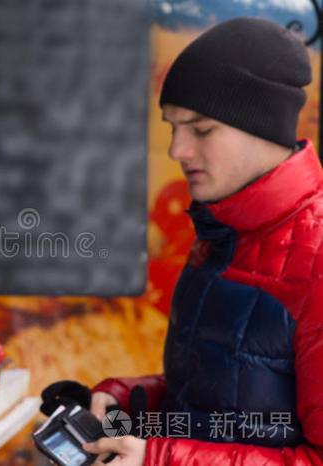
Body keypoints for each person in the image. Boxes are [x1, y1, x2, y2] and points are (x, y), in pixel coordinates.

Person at [84, 17, 323, 465]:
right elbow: (218, 406)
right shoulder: (217, 237)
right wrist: (127, 401)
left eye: (201, 129)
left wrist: (159, 459)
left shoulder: (316, 262)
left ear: (263, 128)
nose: (177, 149)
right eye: (173, 127)